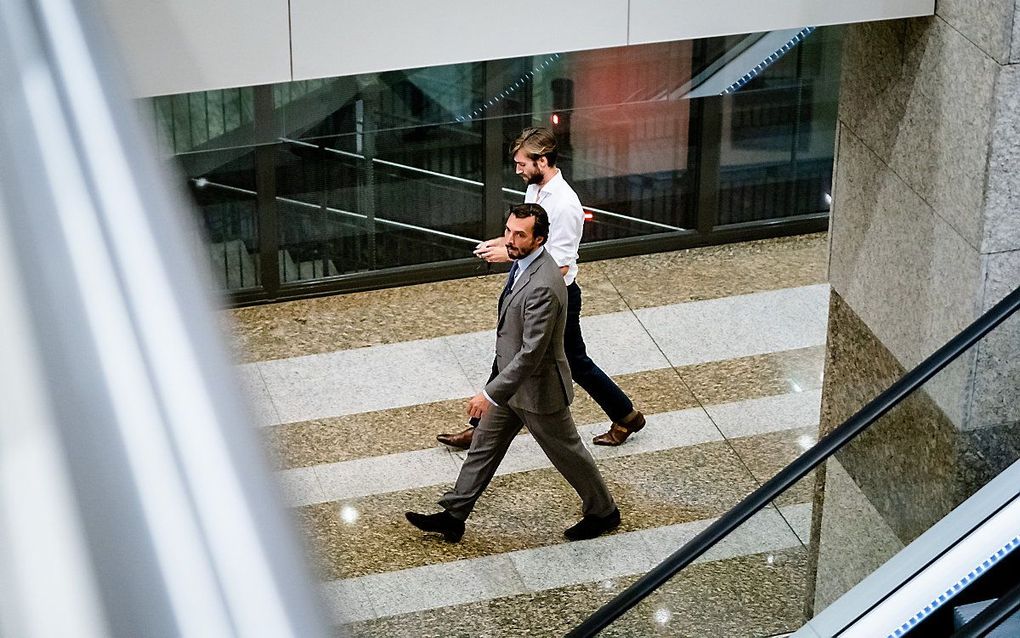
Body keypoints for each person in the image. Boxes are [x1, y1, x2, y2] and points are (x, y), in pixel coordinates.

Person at [406, 204, 620, 542]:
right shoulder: (522, 265)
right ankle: (454, 515)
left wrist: (490, 392)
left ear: (540, 239)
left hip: (538, 390)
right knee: (483, 447)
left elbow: (532, 353)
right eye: (508, 230)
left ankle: (604, 512)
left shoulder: (545, 285)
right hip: (511, 386)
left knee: (568, 454)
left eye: (519, 234)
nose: (510, 239)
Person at [437, 127, 644, 449]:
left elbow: (559, 263)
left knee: (569, 362)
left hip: (553, 296)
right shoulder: (536, 189)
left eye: (522, 164)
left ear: (543, 161)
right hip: (528, 286)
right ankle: (626, 416)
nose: (518, 170)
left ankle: (626, 416)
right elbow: (531, 238)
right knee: (516, 355)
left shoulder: (564, 205)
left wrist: (507, 255)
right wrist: (503, 243)